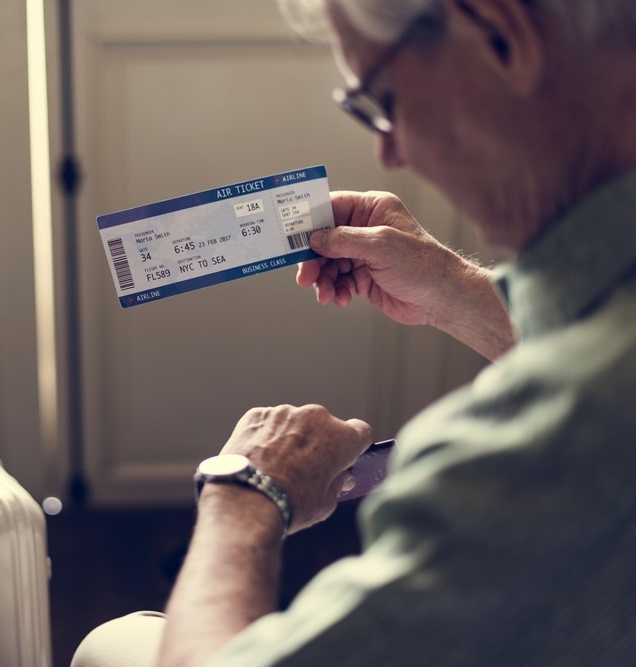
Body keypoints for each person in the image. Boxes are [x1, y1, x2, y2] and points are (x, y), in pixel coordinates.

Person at [72, 0, 636, 664]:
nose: (389, 151)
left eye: (384, 100)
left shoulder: (542, 448)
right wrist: (453, 291)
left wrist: (243, 490)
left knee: (107, 646)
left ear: (501, 35)